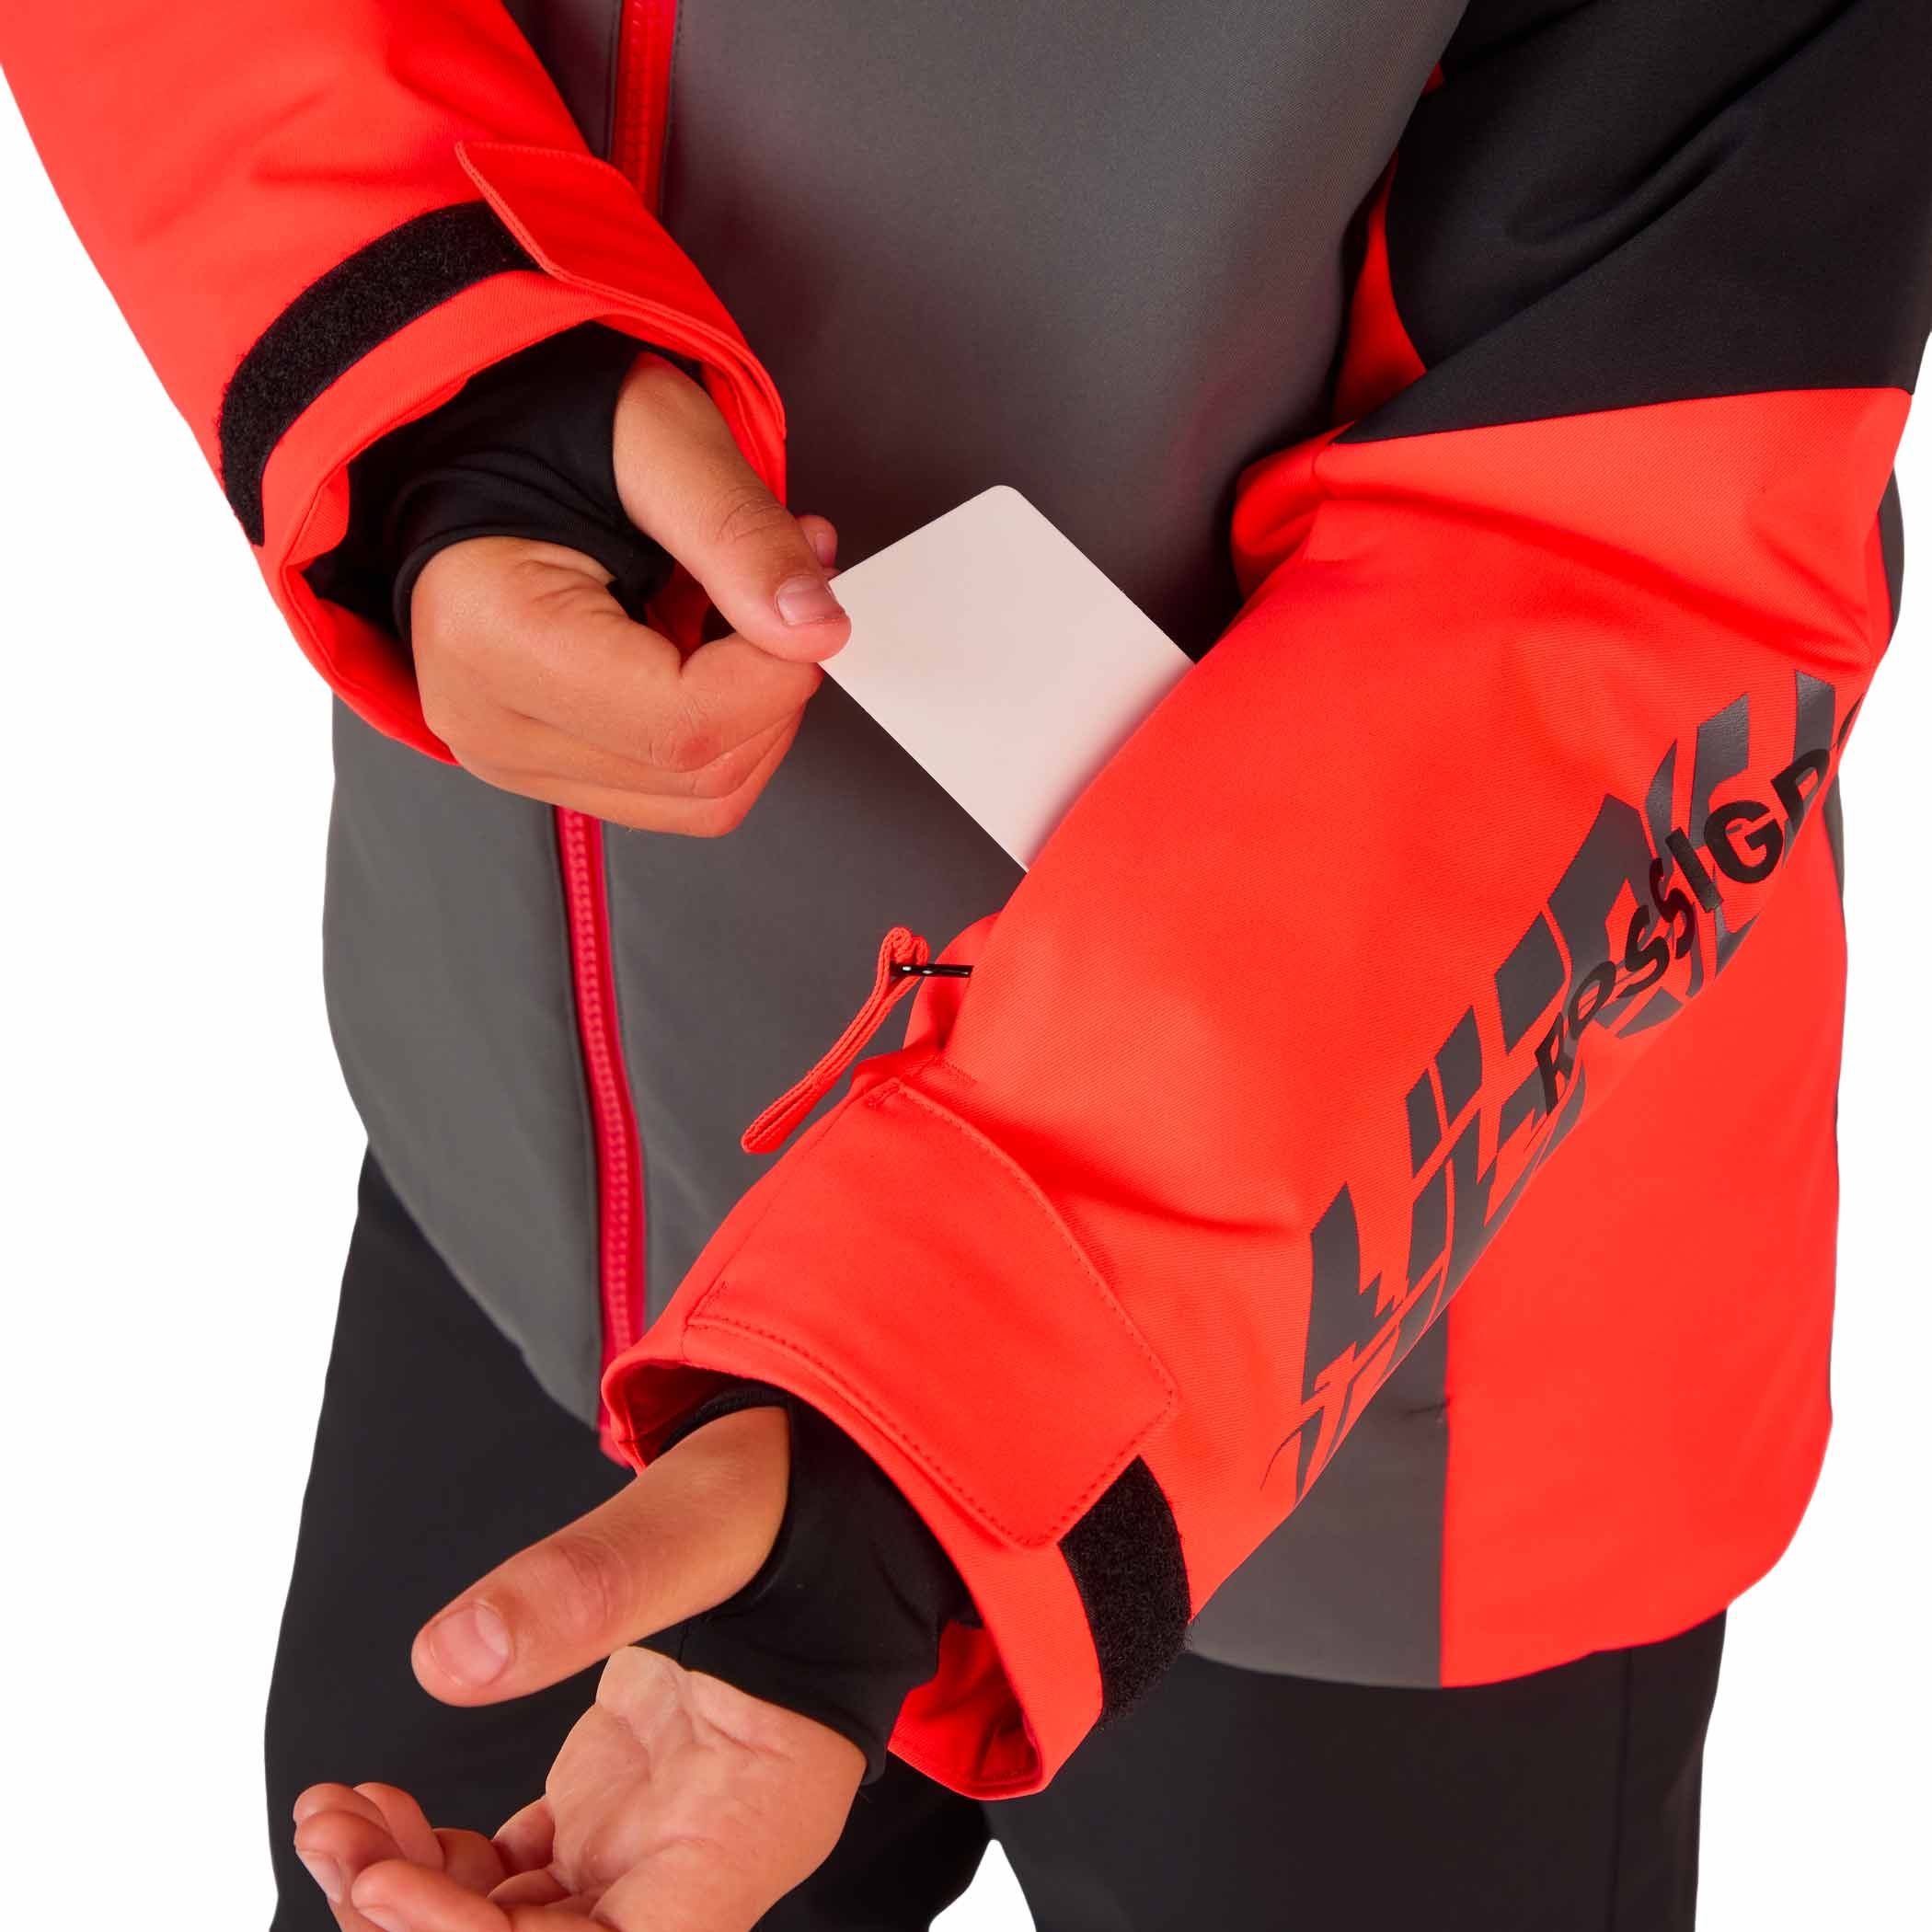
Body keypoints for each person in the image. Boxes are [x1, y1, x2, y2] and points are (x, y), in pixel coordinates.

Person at [5, 2, 1928, 1926]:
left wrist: (933, 1428)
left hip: (1382, 1381)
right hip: (549, 1190)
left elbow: (1612, 552)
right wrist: (432, 353)